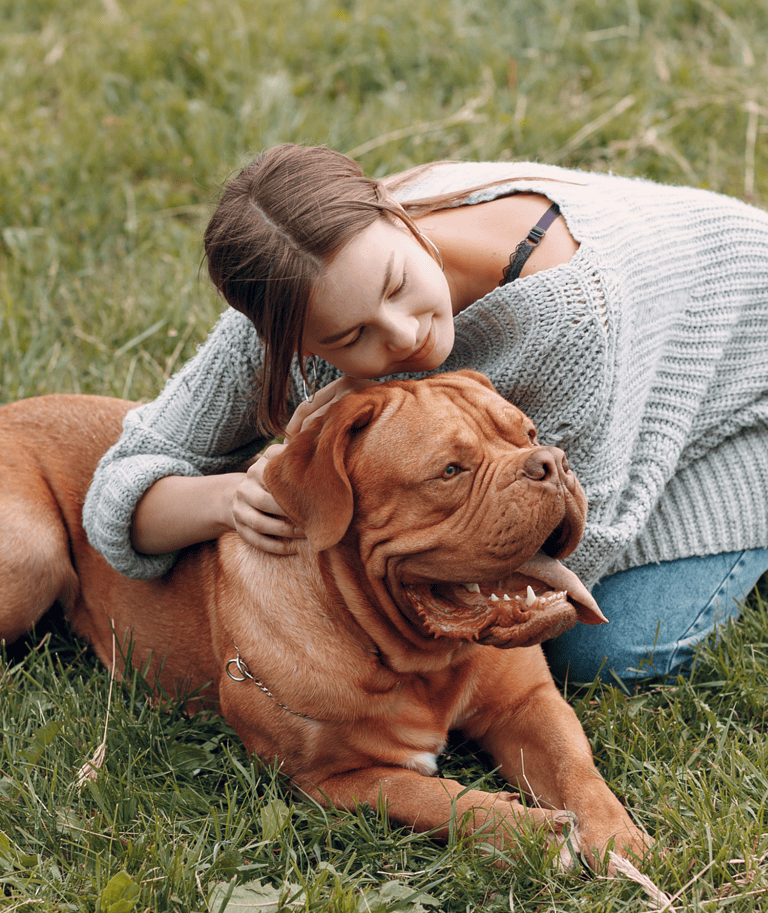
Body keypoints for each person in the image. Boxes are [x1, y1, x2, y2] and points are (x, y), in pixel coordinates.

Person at [83, 143, 768, 689]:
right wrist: (227, 497)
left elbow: (572, 538)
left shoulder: (572, 317)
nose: (401, 334)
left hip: (740, 379)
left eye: (398, 285)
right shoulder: (291, 304)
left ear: (395, 215)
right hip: (631, 389)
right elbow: (118, 489)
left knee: (602, 648)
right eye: (349, 339)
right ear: (288, 339)